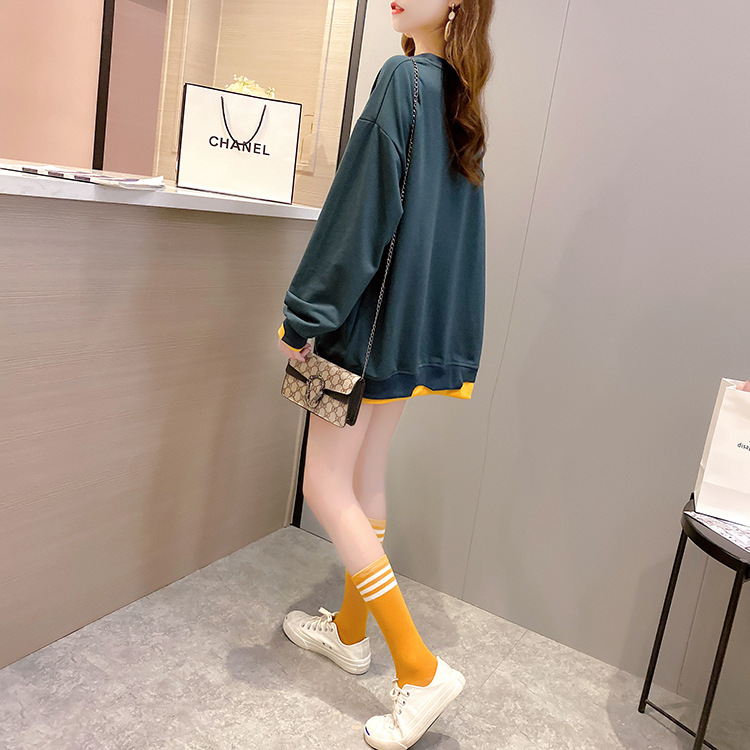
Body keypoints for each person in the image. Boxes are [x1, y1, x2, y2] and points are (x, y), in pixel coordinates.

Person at [276, 1, 494, 747]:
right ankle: (348, 630)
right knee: (365, 474)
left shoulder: (404, 80)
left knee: (323, 483)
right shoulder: (460, 97)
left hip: (365, 328)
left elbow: (359, 212)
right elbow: (458, 239)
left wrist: (306, 312)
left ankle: (417, 667)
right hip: (407, 332)